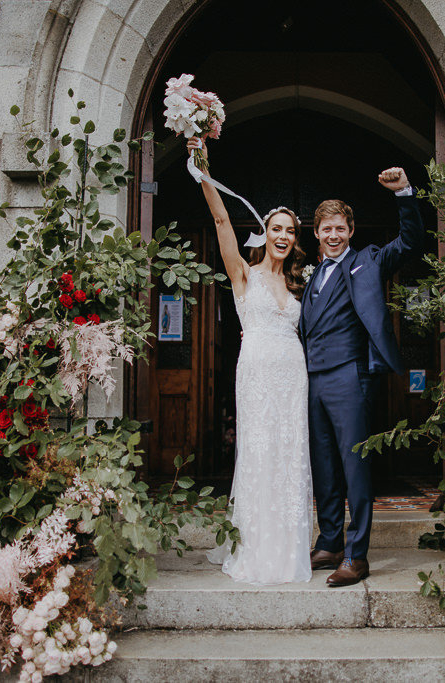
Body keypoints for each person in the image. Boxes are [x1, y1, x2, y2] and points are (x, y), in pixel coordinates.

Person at [188, 137, 313, 585]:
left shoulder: (301, 285)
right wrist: (201, 163)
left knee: (291, 452)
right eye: (276, 228)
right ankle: (257, 546)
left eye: (290, 231)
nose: (282, 236)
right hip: (257, 369)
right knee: (260, 452)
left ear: (295, 240)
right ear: (265, 233)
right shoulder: (243, 273)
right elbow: (221, 219)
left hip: (293, 372)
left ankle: (291, 544)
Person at [303, 169, 424, 587]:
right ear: (316, 233)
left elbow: (410, 241)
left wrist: (404, 194)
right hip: (313, 379)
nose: (333, 234)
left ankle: (357, 555)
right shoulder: (311, 276)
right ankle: (331, 540)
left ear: (351, 230)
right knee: (324, 465)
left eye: (340, 228)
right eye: (326, 229)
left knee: (355, 466)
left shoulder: (368, 259)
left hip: (351, 375)